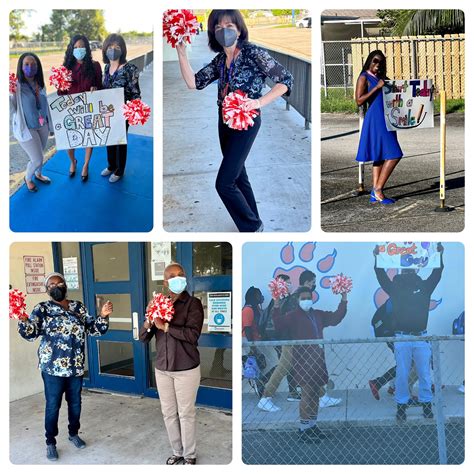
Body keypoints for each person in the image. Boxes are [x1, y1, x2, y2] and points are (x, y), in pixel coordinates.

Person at [176, 9, 294, 232]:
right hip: (224, 121)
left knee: (224, 183)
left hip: (246, 123)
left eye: (229, 26)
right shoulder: (220, 60)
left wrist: (258, 102)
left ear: (239, 29)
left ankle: (251, 227)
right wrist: (182, 54)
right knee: (238, 175)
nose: (224, 31)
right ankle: (254, 219)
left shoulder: (253, 53)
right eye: (218, 27)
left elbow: (285, 80)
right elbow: (194, 82)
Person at [17, 272, 112, 461]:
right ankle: (50, 442)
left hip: (75, 367)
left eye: (59, 283)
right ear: (47, 290)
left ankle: (73, 433)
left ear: (66, 286)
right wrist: (23, 319)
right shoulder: (42, 309)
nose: (56, 286)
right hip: (52, 369)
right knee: (53, 405)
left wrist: (102, 316)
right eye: (51, 285)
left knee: (75, 403)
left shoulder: (78, 307)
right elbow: (30, 334)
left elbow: (94, 329)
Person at [139, 263, 204, 465]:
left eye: (181, 274)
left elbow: (192, 335)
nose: (178, 278)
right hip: (163, 369)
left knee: (186, 413)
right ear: (165, 282)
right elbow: (143, 338)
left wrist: (166, 327)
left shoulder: (193, 304)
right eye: (173, 276)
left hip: (186, 368)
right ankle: (177, 451)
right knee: (168, 413)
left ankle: (190, 454)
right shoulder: (160, 304)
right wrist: (149, 319)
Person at [373, 243, 444, 421]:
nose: (407, 272)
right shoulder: (395, 289)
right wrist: (376, 258)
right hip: (402, 337)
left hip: (421, 337)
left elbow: (437, 273)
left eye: (410, 269)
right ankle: (401, 406)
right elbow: (381, 275)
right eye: (405, 270)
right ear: (401, 272)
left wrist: (440, 255)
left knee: (424, 374)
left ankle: (427, 405)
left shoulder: (425, 287)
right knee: (402, 375)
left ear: (416, 271)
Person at [272, 287, 348, 442]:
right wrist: (276, 304)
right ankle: (303, 429)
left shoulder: (318, 314)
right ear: (298, 300)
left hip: (318, 360)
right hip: (302, 360)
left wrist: (344, 299)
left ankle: (312, 425)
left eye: (309, 297)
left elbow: (336, 318)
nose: (307, 300)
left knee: (315, 394)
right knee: (306, 394)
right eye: (303, 297)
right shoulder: (292, 316)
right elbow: (278, 324)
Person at [355, 50, 403, 204]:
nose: (377, 65)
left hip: (387, 118)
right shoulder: (364, 77)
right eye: (375, 61)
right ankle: (378, 189)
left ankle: (375, 191)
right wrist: (376, 88)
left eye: (380, 62)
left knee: (380, 155)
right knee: (395, 154)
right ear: (370, 61)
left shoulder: (382, 78)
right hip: (375, 118)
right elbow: (359, 100)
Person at [60, 34, 102, 181]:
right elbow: (61, 93)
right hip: (72, 111)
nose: (79, 49)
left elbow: (100, 87)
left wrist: (95, 89)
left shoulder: (95, 66)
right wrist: (61, 86)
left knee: (89, 139)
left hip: (88, 109)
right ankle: (73, 161)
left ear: (87, 48)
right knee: (70, 141)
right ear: (71, 49)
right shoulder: (65, 69)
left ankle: (85, 165)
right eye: (76, 47)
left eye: (82, 47)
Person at [101, 34, 141, 182]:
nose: (113, 50)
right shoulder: (106, 68)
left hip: (123, 112)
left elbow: (135, 92)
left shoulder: (130, 69)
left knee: (120, 141)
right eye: (110, 47)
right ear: (105, 49)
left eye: (117, 47)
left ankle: (119, 171)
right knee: (109, 139)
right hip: (108, 112)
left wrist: (134, 111)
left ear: (122, 50)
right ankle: (111, 165)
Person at [10, 52, 53, 192]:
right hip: (27, 128)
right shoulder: (16, 87)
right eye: (26, 64)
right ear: (21, 67)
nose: (30, 67)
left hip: (42, 125)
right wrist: (9, 94)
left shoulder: (40, 84)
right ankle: (28, 178)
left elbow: (45, 104)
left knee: (40, 152)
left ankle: (38, 174)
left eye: (33, 64)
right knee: (37, 159)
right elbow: (11, 110)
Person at [258, 274, 300, 412]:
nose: (289, 285)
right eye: (287, 282)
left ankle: (292, 392)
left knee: (287, 364)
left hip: (279, 337)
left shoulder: (279, 299)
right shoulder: (281, 300)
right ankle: (267, 389)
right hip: (281, 337)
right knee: (285, 365)